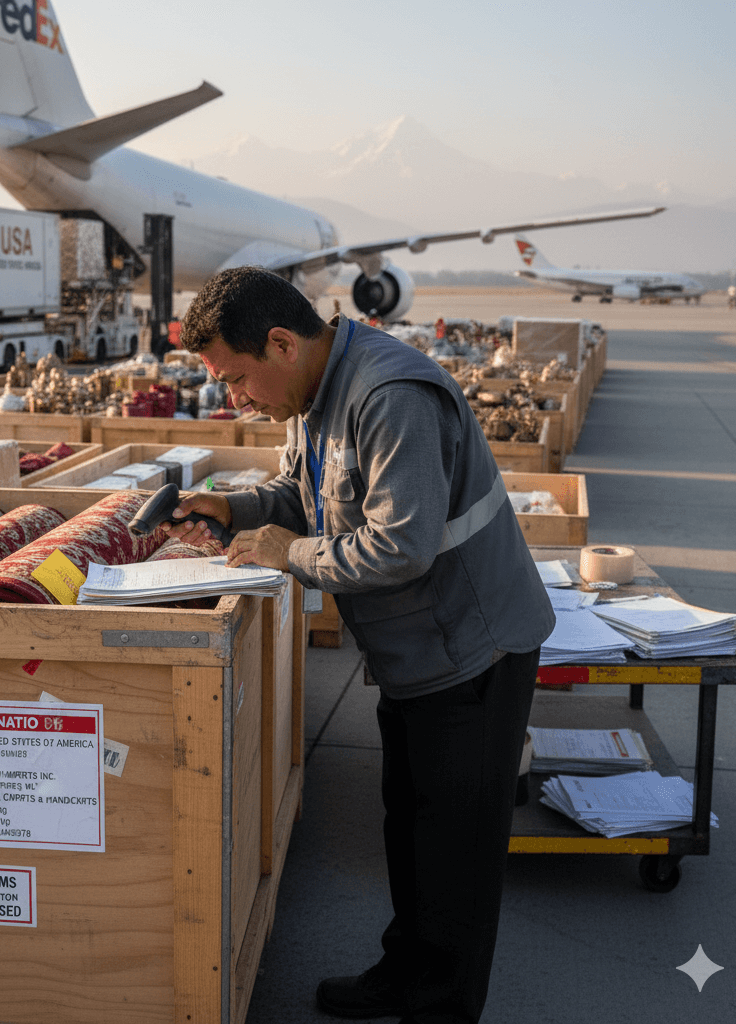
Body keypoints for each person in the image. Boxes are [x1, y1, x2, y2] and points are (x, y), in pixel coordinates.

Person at [164, 266, 555, 1024]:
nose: (233, 398)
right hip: (415, 655)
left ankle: (440, 1006)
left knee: (455, 858)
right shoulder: (310, 395)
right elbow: (307, 496)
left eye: (237, 378)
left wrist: (288, 554)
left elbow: (399, 548)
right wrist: (231, 504)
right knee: (411, 829)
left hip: (471, 653)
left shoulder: (389, 395)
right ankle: (404, 973)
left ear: (281, 343)